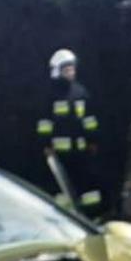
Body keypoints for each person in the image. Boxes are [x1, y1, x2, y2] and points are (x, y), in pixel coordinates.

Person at [42, 48, 104, 215]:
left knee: (88, 185)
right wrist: (46, 144)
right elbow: (45, 122)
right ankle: (63, 216)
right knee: (62, 186)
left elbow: (89, 119)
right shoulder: (51, 94)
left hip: (81, 150)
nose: (71, 73)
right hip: (59, 153)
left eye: (72, 69)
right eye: (67, 70)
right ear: (57, 71)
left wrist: (92, 140)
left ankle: (92, 215)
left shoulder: (80, 92)